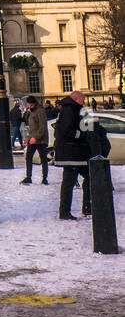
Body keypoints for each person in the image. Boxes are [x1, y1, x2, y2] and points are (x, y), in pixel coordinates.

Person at [54, 90, 91, 220]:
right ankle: (65, 211)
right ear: (76, 99)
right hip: (71, 152)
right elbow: (66, 130)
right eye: (83, 99)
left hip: (74, 152)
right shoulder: (70, 110)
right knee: (69, 183)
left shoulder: (71, 109)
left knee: (87, 177)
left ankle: (87, 208)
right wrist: (81, 135)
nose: (84, 102)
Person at [20, 94, 49, 186]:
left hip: (41, 140)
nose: (29, 107)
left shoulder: (40, 111)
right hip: (33, 139)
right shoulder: (31, 112)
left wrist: (35, 138)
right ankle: (28, 176)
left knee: (43, 159)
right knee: (28, 157)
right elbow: (32, 128)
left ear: (35, 104)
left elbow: (42, 127)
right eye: (28, 105)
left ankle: (44, 178)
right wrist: (28, 138)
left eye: (31, 105)